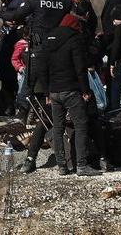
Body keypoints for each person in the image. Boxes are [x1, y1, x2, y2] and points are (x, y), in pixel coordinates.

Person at [37, 16, 101, 176]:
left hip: (54, 91)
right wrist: (85, 90)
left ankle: (62, 166)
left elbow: (42, 68)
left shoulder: (48, 40)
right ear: (75, 26)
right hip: (71, 90)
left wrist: (47, 92)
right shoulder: (74, 40)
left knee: (57, 128)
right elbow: (80, 67)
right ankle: (81, 165)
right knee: (81, 125)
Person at [0, 0, 22, 116]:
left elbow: (15, 18)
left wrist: (0, 15)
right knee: (6, 76)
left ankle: (12, 105)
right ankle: (9, 105)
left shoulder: (16, 2)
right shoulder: (10, 1)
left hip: (13, 43)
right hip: (7, 42)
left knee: (10, 77)